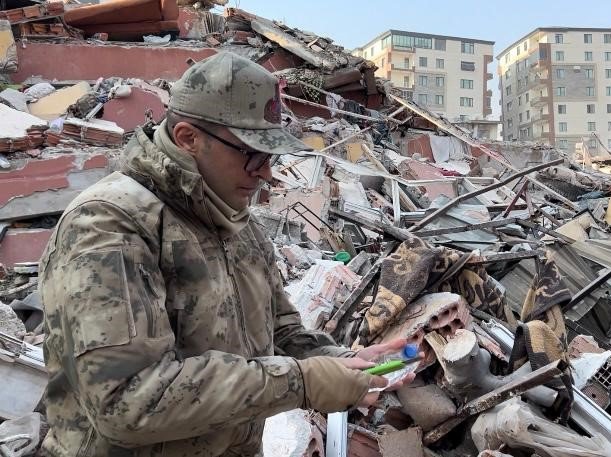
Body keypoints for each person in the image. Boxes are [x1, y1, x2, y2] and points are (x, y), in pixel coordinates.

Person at [39, 52, 411, 456]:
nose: (266, 173)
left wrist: (341, 363)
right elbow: (128, 400)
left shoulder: (237, 223)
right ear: (188, 138)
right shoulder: (110, 224)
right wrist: (302, 382)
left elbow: (281, 334)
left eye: (271, 157)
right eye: (252, 154)